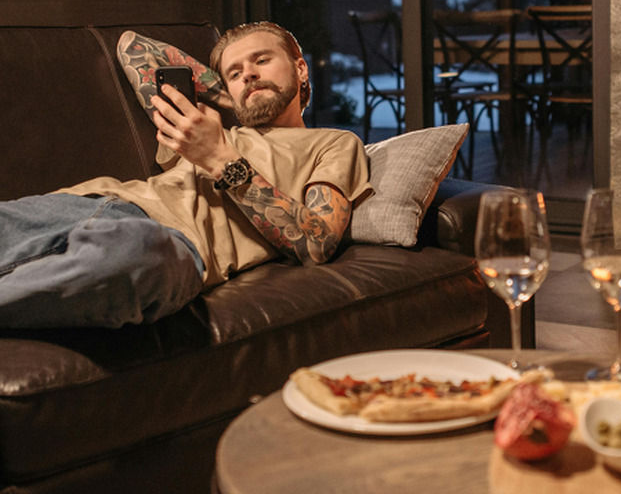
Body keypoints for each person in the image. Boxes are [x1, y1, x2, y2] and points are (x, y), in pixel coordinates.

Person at [0, 22, 372, 329]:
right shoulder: (200, 129)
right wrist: (233, 98)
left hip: (167, 245)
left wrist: (219, 159)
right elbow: (132, 46)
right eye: (236, 73)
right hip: (88, 203)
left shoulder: (334, 142)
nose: (250, 75)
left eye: (262, 60)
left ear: (301, 67)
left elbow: (316, 243)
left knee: (136, 256)